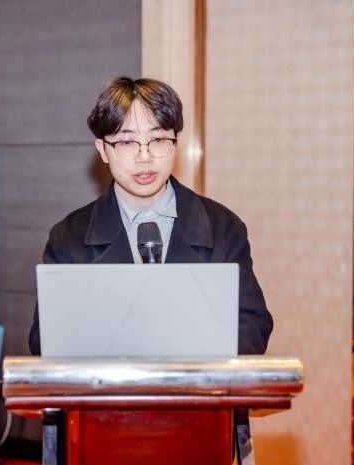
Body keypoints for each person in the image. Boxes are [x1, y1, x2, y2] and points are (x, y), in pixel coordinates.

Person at [28, 76, 272, 356]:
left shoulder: (223, 227)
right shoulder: (69, 236)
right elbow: (45, 339)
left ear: (176, 143)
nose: (144, 157)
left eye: (157, 140)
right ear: (103, 150)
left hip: (196, 383)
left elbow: (252, 326)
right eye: (127, 142)